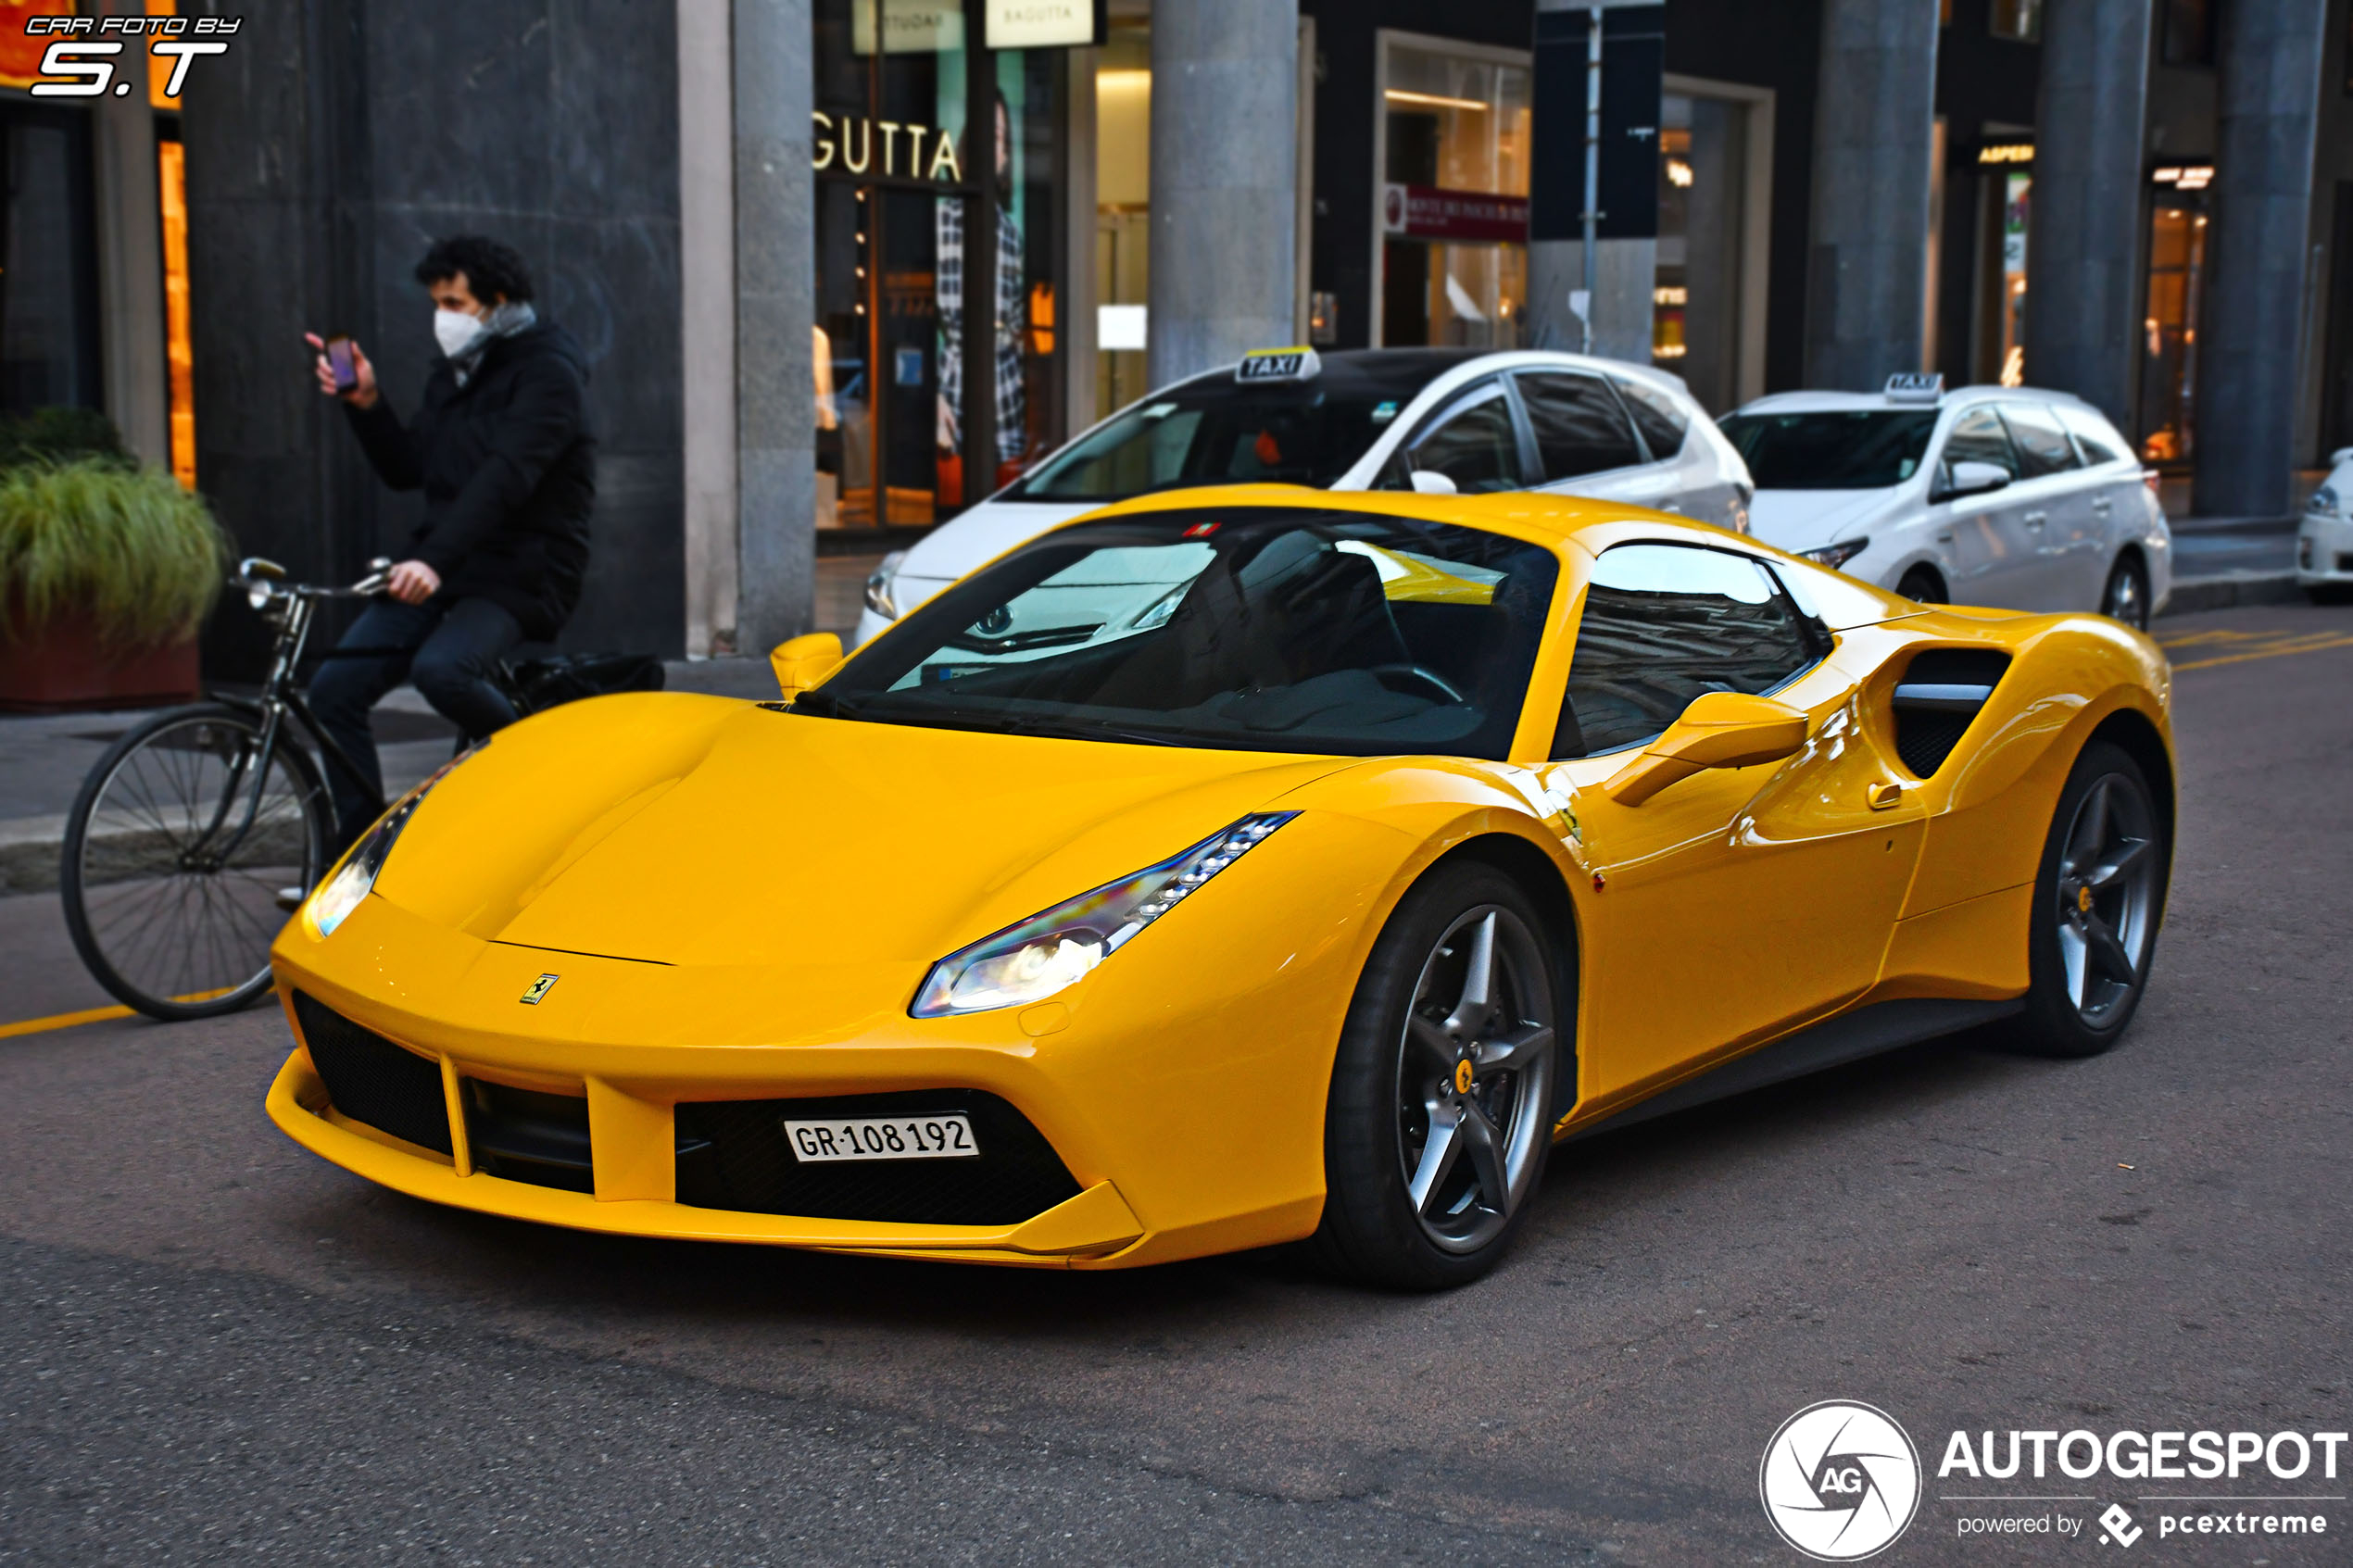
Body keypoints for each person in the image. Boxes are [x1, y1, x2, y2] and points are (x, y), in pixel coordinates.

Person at [304, 235, 596, 849]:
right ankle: (361, 854)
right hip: (449, 561)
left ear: (497, 299)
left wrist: (432, 561)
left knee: (443, 670)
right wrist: (367, 403)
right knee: (332, 688)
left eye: (456, 302)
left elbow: (507, 477)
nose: (444, 316)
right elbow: (412, 469)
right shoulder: (453, 376)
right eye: (438, 302)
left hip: (525, 569)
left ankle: (547, 774)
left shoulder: (550, 369)